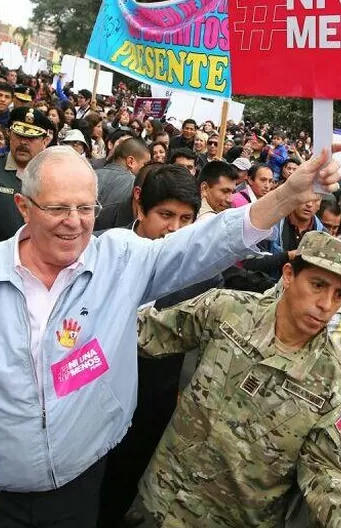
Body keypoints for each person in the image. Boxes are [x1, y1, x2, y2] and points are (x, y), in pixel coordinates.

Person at [0, 145, 341, 528]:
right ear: (23, 206)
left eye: (86, 207)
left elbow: (200, 246)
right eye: (58, 207)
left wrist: (285, 196)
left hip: (77, 488)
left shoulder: (120, 260)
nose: (75, 221)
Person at [135, 232, 341, 528]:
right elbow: (146, 334)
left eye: (339, 294)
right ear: (289, 275)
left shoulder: (332, 380)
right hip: (160, 499)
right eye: (318, 285)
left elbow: (321, 472)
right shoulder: (228, 310)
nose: (326, 304)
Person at [95, 166, 209, 527]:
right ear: (140, 208)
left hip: (150, 403)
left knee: (122, 485)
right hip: (90, 393)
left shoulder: (200, 273)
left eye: (186, 218)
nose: (175, 228)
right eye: (166, 215)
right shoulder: (98, 250)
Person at [0, 107, 55, 244]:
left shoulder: (52, 178)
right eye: (19, 136)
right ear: (10, 135)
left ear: (45, 142)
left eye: (31, 138)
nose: (23, 142)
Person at [95, 137, 150, 207]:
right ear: (130, 162)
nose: (145, 168)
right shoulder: (134, 184)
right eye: (144, 164)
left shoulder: (91, 174)